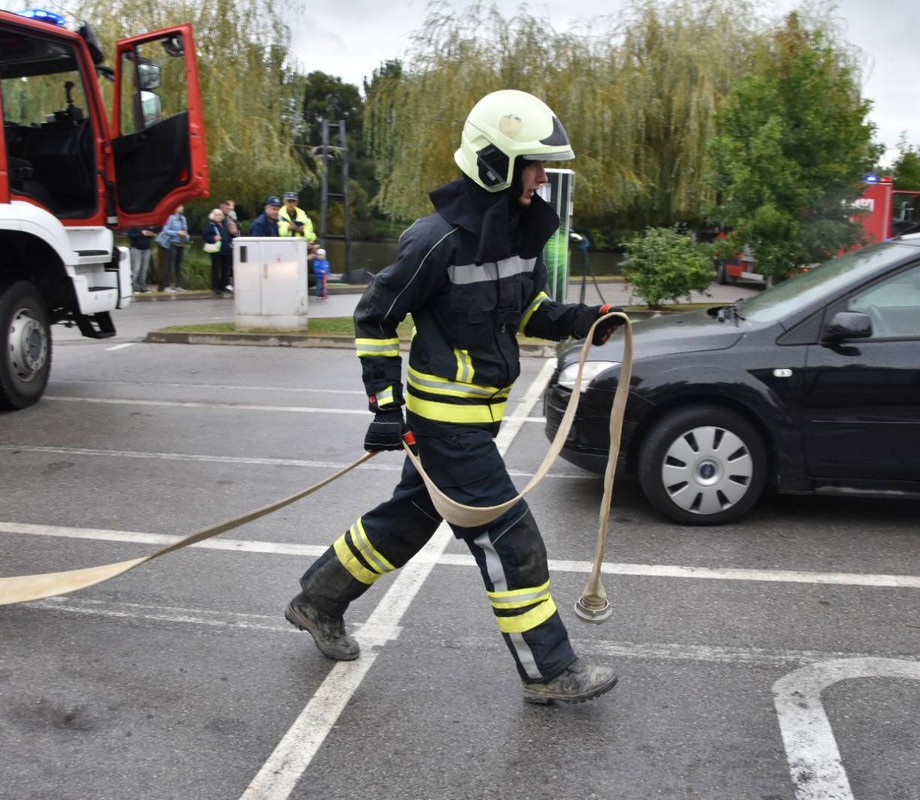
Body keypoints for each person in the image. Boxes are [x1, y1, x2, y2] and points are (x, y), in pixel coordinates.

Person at [284, 89, 625, 705]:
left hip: (478, 421)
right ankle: (549, 672)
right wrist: (387, 408)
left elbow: (528, 312)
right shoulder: (434, 240)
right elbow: (374, 317)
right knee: (510, 540)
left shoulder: (515, 237)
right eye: (532, 164)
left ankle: (318, 600)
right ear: (495, 162)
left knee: (407, 521)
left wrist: (586, 320)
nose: (541, 177)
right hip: (445, 426)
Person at [156, 203, 190, 292]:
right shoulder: (170, 217)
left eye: (182, 206)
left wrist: (186, 237)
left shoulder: (183, 218)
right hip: (172, 243)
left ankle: (178, 285)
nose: (182, 207)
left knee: (179, 266)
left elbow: (185, 231)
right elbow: (165, 231)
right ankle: (167, 286)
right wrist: (177, 233)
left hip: (181, 244)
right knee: (170, 265)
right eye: (179, 206)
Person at [203, 208, 234, 295]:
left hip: (226, 250)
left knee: (226, 269)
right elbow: (205, 236)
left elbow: (228, 236)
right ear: (213, 216)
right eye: (216, 215)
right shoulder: (211, 226)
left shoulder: (224, 225)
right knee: (216, 268)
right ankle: (215, 286)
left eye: (220, 214)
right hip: (216, 250)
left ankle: (223, 285)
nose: (219, 216)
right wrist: (213, 238)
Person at [126, 225, 156, 293]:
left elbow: (152, 236)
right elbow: (130, 236)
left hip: (147, 249)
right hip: (136, 248)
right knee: (136, 269)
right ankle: (133, 287)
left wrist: (150, 234)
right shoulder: (132, 224)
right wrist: (141, 233)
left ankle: (143, 287)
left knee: (144, 270)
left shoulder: (147, 224)